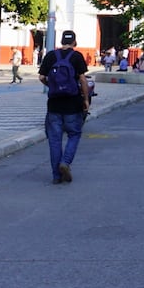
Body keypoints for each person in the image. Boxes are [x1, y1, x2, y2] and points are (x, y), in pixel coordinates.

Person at [38, 29, 90, 185]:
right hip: (73, 104)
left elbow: (41, 77)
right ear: (74, 42)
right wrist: (85, 99)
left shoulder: (51, 56)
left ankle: (56, 176)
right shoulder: (77, 56)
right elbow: (83, 80)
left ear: (61, 41)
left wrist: (52, 86)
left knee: (54, 140)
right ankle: (65, 162)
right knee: (74, 134)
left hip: (54, 105)